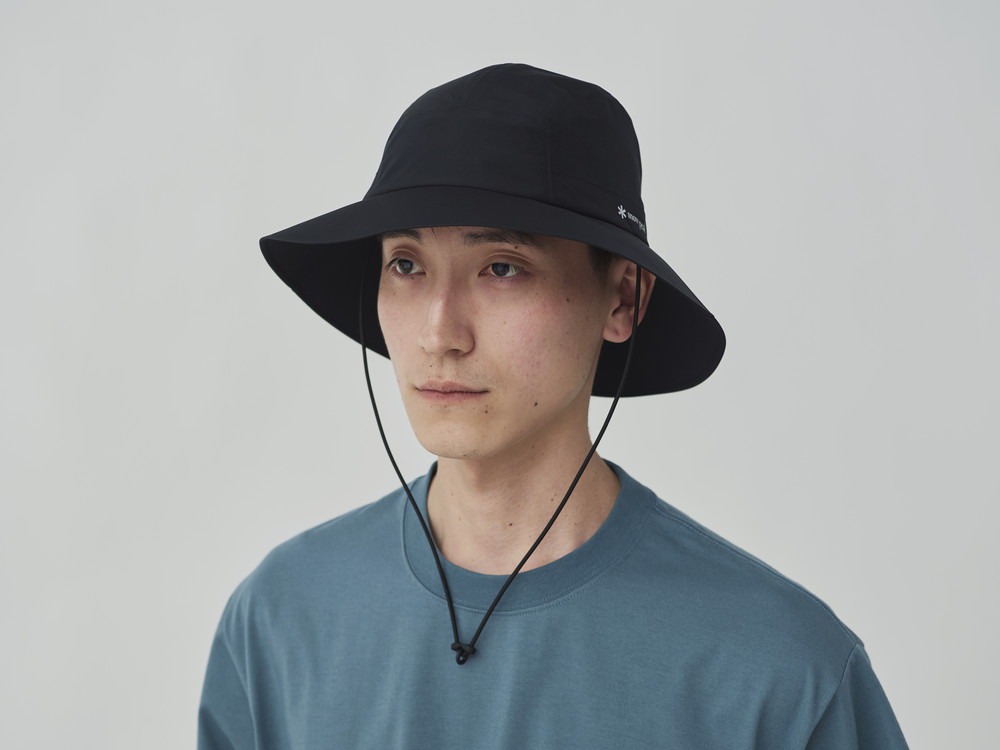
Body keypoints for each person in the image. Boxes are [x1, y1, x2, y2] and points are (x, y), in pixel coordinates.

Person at [197, 63, 909, 749]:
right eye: (406, 265)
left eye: (502, 268)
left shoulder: (779, 671)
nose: (439, 333)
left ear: (622, 299)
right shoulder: (281, 619)